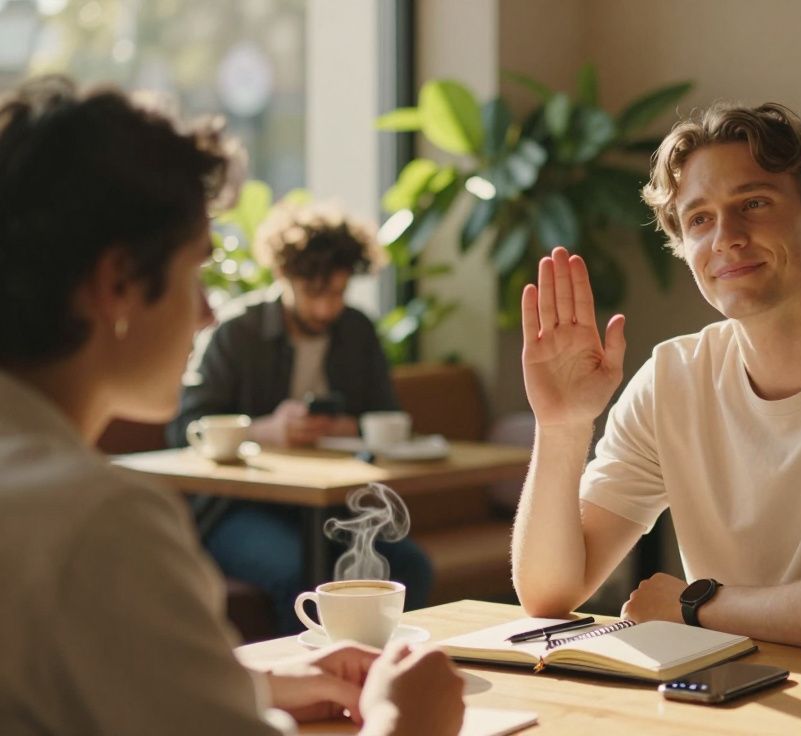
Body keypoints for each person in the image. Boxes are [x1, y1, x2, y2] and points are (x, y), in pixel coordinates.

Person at [0, 76, 463, 735]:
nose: (208, 310)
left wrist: (257, 682)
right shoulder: (99, 526)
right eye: (199, 271)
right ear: (120, 282)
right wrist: (405, 722)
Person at [511, 102, 801, 734]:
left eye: (754, 203)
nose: (726, 236)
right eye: (699, 219)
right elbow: (549, 592)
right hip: (732, 712)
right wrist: (562, 426)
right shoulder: (673, 377)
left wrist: (691, 605)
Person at [166, 202, 433, 634]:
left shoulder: (356, 331)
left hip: (332, 508)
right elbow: (186, 426)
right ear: (284, 277)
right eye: (315, 293)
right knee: (296, 574)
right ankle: (305, 688)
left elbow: (388, 416)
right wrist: (267, 430)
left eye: (339, 293)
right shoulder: (238, 331)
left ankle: (385, 678)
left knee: (410, 568)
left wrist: (349, 426)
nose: (328, 308)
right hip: (239, 508)